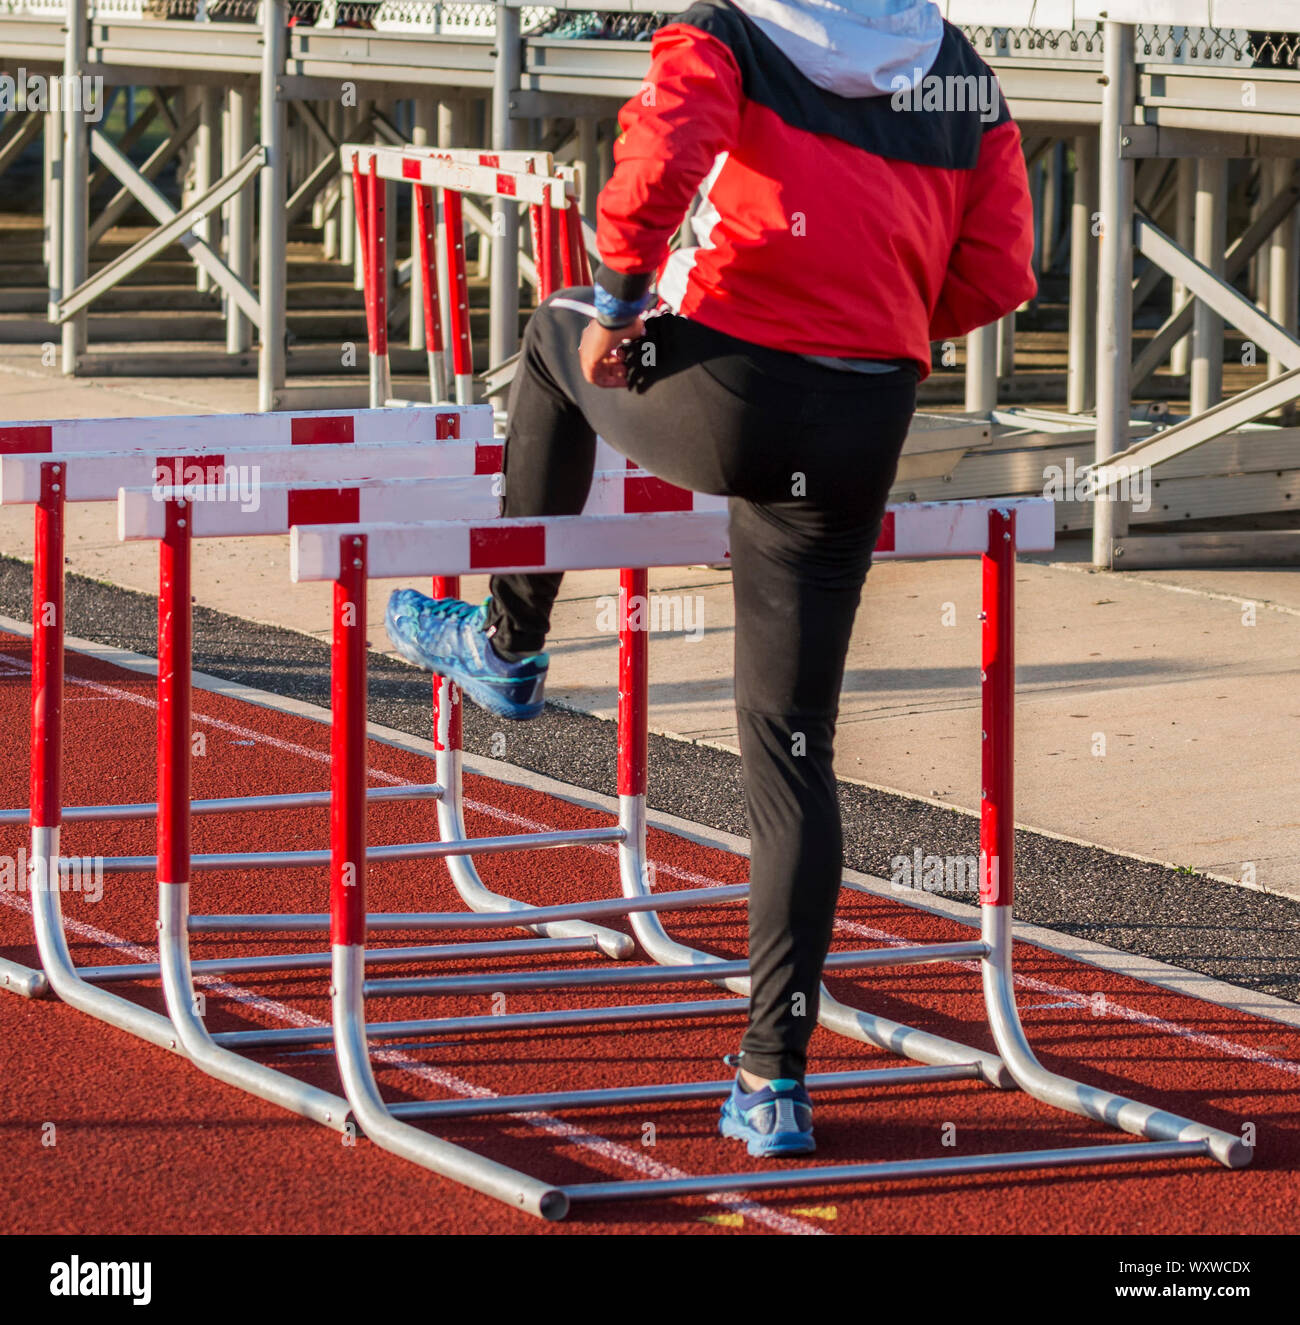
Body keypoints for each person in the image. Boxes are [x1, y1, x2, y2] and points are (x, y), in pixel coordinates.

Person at [386, 0, 1036, 1158]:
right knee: (792, 750)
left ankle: (509, 640)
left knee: (551, 334)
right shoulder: (963, 75)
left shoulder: (729, 32)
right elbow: (996, 270)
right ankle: (771, 1083)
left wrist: (627, 302)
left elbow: (655, 164)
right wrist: (877, 322)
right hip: (860, 415)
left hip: (734, 388)